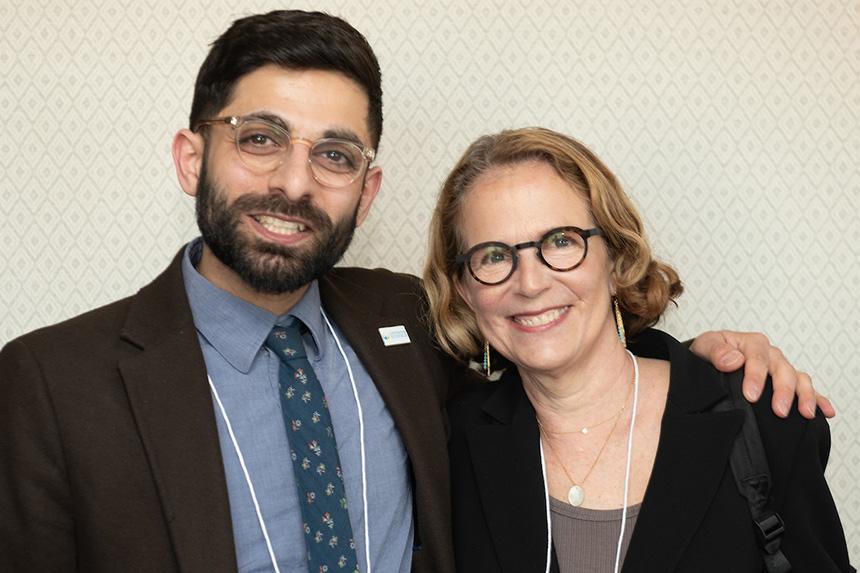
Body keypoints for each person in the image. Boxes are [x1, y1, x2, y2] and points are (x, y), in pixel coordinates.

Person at [0, 10, 832, 573]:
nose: (294, 184)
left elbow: (558, 347)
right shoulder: (49, 384)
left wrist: (699, 366)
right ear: (191, 157)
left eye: (334, 154)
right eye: (259, 139)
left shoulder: (402, 320)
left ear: (367, 190)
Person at [424, 127, 853, 572]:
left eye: (561, 241)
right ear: (466, 291)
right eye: (493, 256)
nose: (530, 283)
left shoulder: (759, 419)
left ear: (615, 259)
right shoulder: (450, 446)